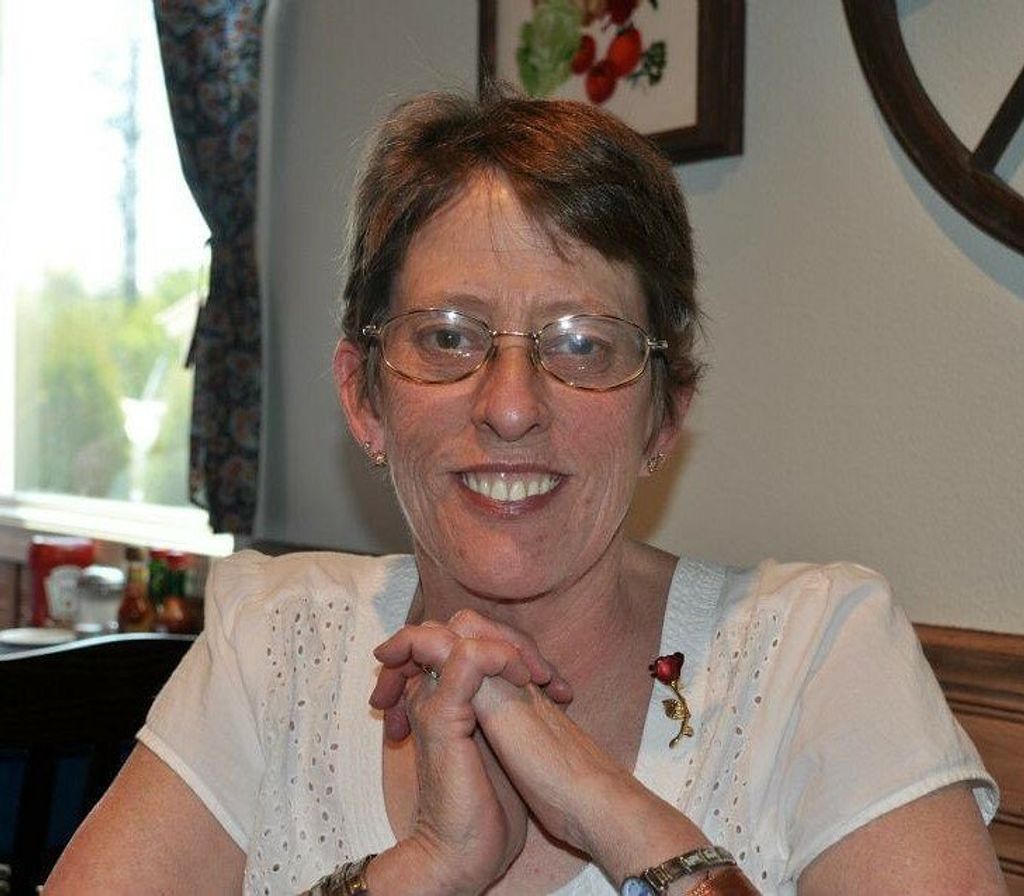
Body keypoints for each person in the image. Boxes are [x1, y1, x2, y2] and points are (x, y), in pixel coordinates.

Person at [47, 90, 1007, 896]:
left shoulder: (818, 659)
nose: (511, 407)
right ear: (365, 398)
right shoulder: (276, 643)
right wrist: (419, 871)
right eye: (448, 337)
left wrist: (612, 808)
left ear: (664, 415)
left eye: (583, 344)